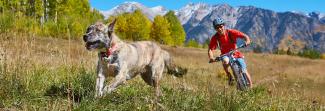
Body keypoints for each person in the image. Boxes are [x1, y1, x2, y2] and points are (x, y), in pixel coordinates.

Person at [208, 17, 253, 88]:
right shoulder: (215, 37)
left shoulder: (231, 32)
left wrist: (247, 41)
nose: (219, 29)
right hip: (225, 55)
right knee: (225, 61)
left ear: (223, 25)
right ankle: (229, 75)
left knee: (244, 70)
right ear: (215, 29)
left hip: (236, 53)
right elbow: (210, 49)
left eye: (220, 26)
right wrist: (211, 57)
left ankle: (251, 87)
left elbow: (244, 36)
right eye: (217, 27)